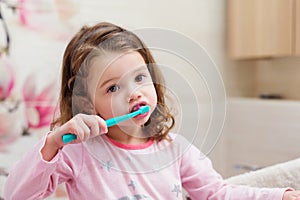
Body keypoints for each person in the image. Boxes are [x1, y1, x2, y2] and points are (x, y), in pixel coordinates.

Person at [4, 22, 300, 200]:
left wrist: (279, 196)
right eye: (113, 88)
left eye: (140, 77)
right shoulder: (77, 154)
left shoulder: (176, 151)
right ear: (86, 103)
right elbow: (17, 195)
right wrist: (53, 143)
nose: (134, 92)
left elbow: (217, 194)